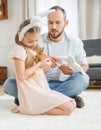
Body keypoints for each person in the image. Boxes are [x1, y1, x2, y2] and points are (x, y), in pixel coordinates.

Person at [3, 6, 89, 108]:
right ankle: (64, 98)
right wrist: (43, 63)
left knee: (83, 79)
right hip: (38, 84)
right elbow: (26, 64)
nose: (53, 27)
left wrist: (73, 71)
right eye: (50, 22)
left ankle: (34, 100)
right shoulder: (36, 39)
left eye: (58, 22)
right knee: (9, 84)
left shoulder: (75, 42)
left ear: (65, 23)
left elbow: (84, 66)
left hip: (63, 83)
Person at [7, 16, 76, 115]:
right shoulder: (19, 51)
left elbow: (38, 73)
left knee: (72, 103)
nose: (34, 44)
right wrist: (40, 64)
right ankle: (29, 109)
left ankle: (30, 107)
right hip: (32, 92)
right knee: (68, 109)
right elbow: (21, 76)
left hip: (42, 88)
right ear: (21, 37)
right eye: (30, 41)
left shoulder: (33, 50)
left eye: (36, 40)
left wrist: (48, 64)